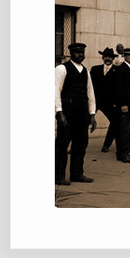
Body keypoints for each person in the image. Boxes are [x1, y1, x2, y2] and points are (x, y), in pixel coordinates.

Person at [55, 42, 97, 185]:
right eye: (78, 52)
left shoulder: (85, 71)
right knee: (62, 145)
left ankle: (77, 174)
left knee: (80, 145)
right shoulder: (61, 69)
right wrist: (59, 112)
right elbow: (55, 91)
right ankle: (58, 176)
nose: (80, 55)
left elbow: (90, 93)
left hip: (82, 113)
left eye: (82, 52)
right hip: (67, 112)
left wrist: (92, 114)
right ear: (71, 53)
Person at [108, 46, 130, 163]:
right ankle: (124, 154)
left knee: (127, 129)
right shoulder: (121, 69)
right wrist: (122, 104)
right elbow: (118, 88)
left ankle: (122, 153)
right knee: (125, 130)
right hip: (125, 105)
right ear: (125, 56)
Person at [90, 47, 118, 153]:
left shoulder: (117, 70)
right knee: (83, 122)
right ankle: (76, 145)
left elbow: (118, 88)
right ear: (102, 58)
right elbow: (90, 85)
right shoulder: (95, 69)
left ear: (113, 58)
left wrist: (116, 102)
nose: (107, 59)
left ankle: (107, 145)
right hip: (95, 101)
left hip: (109, 103)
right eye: (105, 56)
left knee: (115, 122)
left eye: (110, 57)